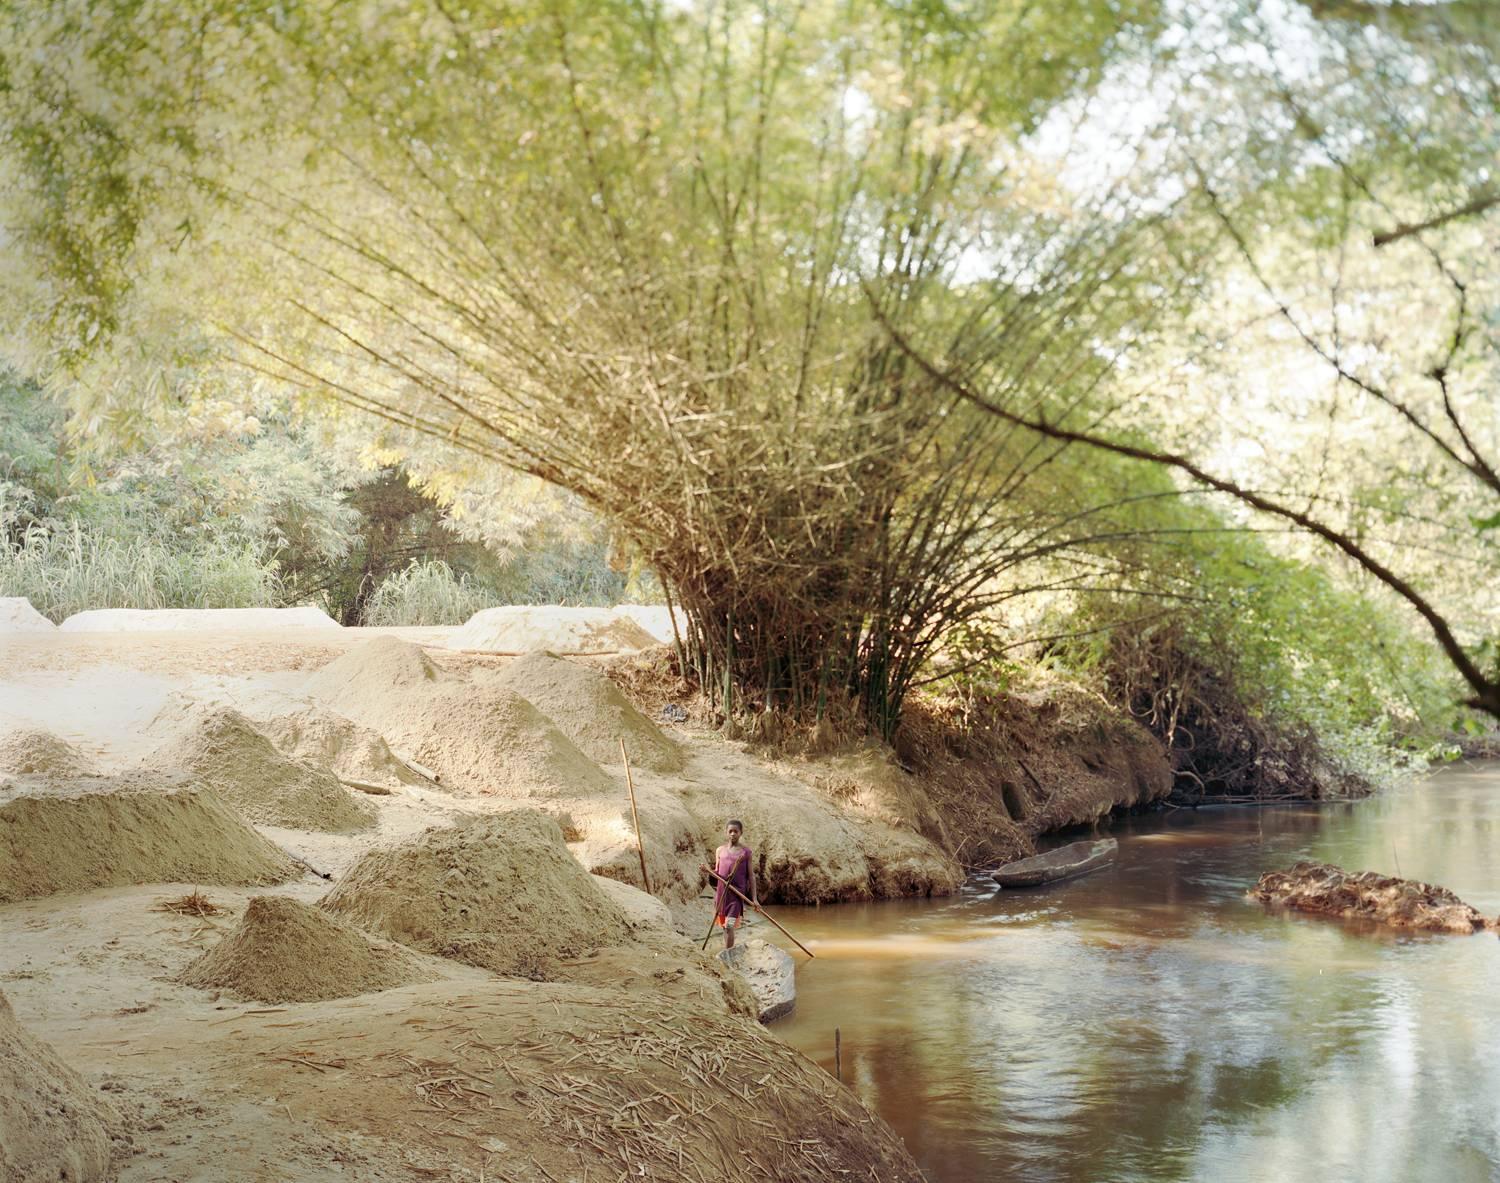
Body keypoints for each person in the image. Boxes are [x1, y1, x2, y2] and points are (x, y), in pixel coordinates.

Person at [701, 818, 758, 949]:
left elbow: (751, 876)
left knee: (729, 925)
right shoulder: (720, 850)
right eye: (730, 831)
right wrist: (707, 871)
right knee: (724, 926)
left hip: (736, 895)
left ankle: (728, 953)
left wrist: (754, 899)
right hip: (722, 894)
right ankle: (728, 951)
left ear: (741, 833)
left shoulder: (746, 853)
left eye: (736, 831)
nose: (733, 834)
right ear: (726, 832)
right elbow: (717, 872)